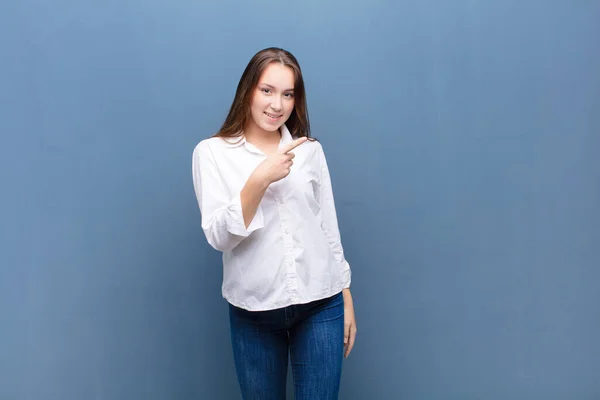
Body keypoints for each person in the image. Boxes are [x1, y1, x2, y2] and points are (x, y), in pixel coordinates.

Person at [191, 47, 356, 399]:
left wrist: (345, 292)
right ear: (247, 90)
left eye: (287, 94)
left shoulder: (309, 150)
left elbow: (327, 226)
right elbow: (219, 237)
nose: (277, 105)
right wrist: (258, 180)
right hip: (253, 311)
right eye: (267, 90)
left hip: (321, 303)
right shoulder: (212, 153)